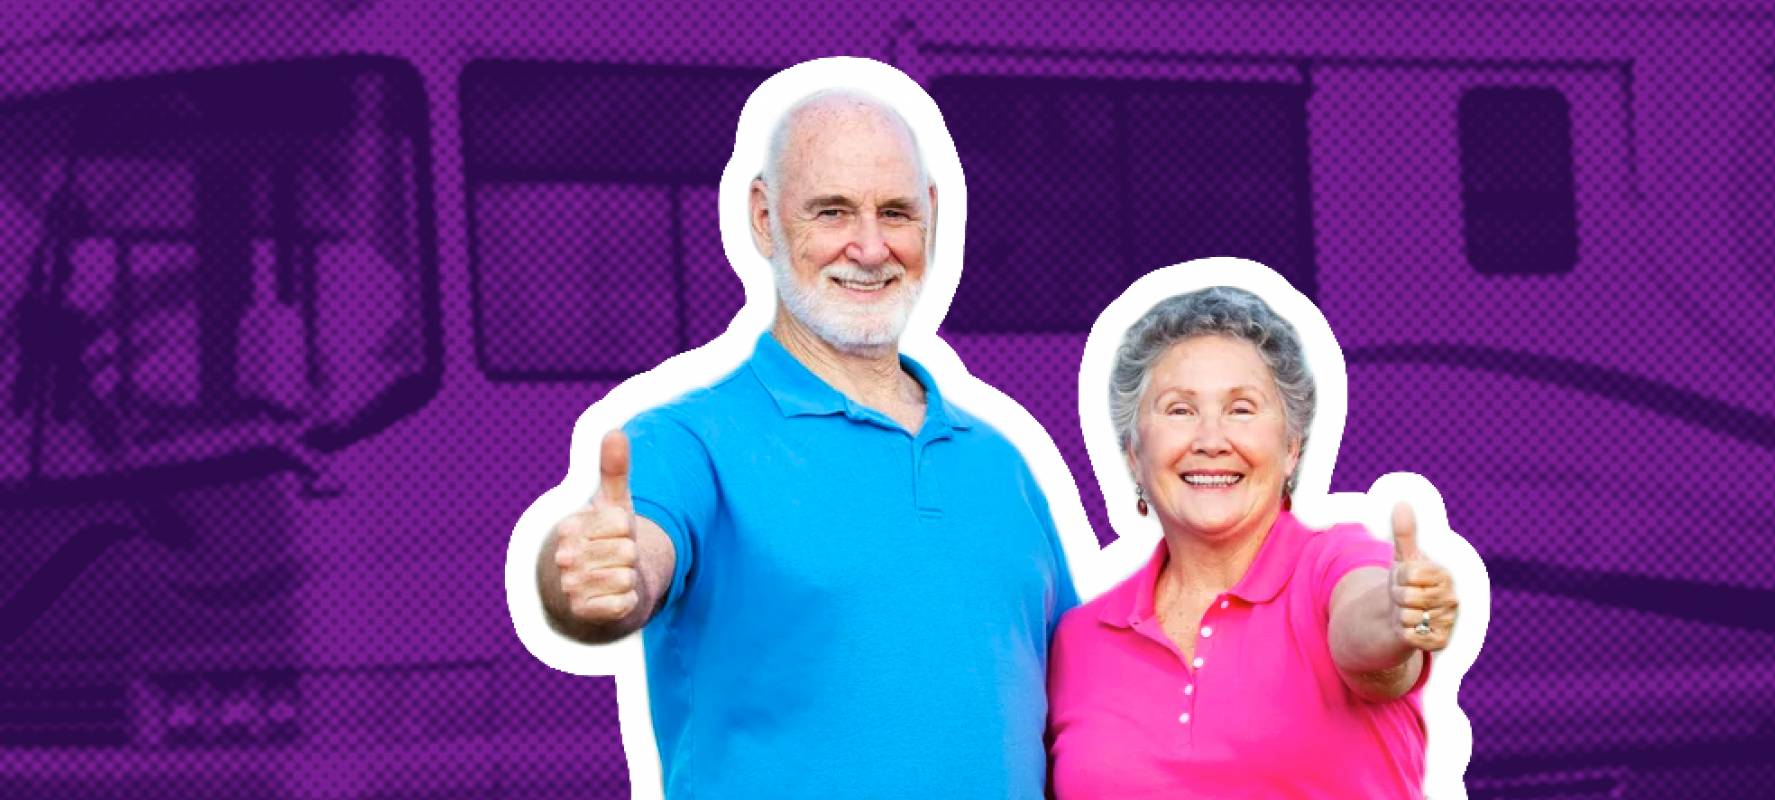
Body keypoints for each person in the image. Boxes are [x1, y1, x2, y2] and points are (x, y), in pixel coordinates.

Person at [535, 87, 1080, 798]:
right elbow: (624, 563)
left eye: (896, 213)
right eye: (832, 211)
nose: (870, 247)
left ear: (933, 218)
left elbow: (1077, 699)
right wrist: (591, 578)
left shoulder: (1000, 462)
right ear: (765, 218)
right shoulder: (687, 442)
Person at [1047, 286, 1459, 798]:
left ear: (1290, 448)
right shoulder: (1079, 639)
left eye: (1242, 409)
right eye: (1178, 410)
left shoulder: (1332, 568)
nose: (1212, 439)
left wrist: (1399, 617)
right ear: (1134, 454)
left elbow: (1368, 634)